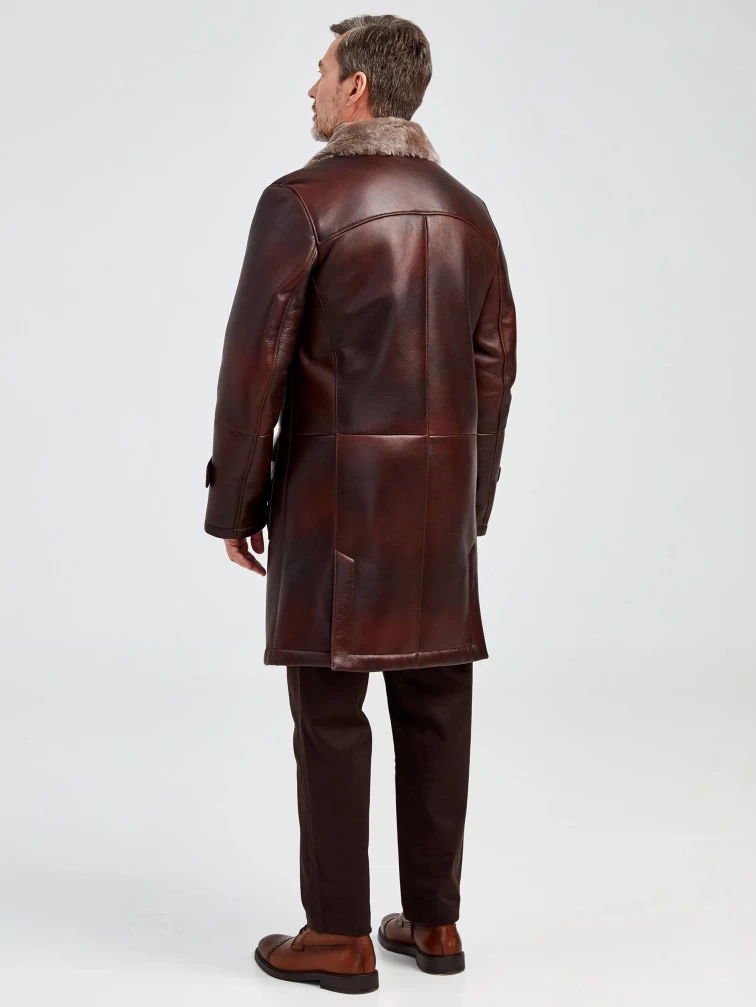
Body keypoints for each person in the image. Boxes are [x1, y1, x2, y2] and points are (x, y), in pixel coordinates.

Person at [203, 14, 517, 995]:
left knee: (331, 711)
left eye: (321, 72)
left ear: (357, 91)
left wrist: (236, 501)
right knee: (436, 703)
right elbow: (497, 369)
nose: (309, 88)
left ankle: (338, 936)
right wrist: (468, 506)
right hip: (436, 519)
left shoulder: (302, 202)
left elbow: (255, 364)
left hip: (333, 505)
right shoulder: (469, 212)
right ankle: (435, 918)